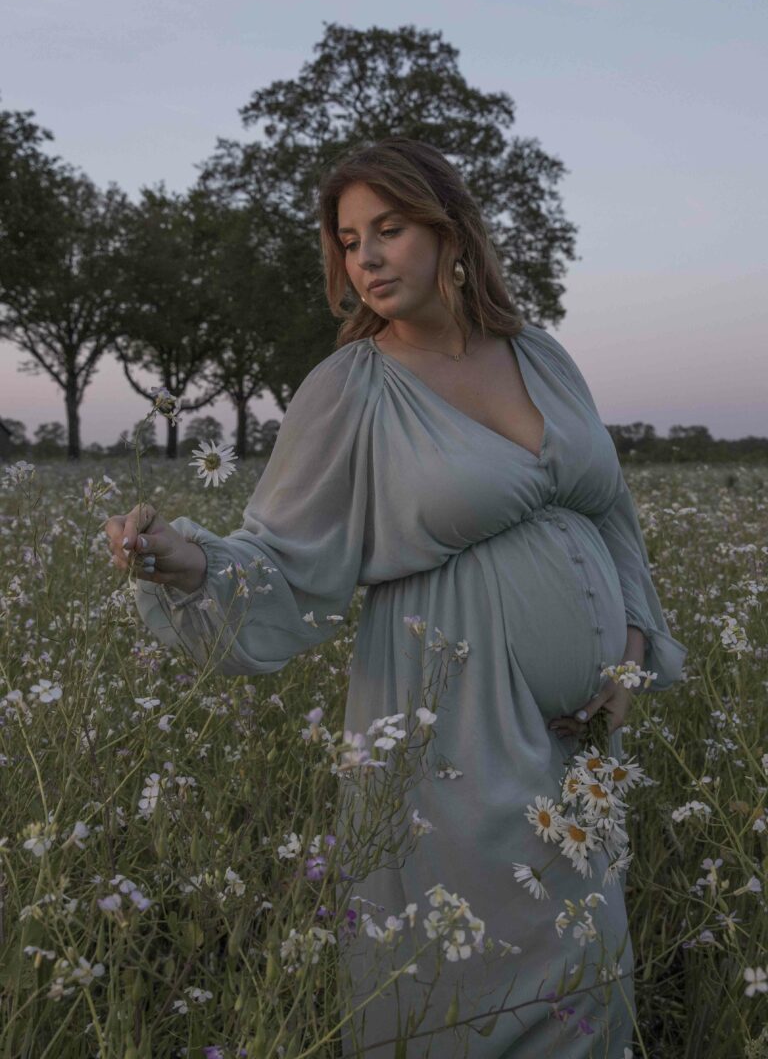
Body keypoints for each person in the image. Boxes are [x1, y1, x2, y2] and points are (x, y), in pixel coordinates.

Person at [105, 137, 686, 1057]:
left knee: (583, 958)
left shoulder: (542, 357)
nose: (364, 256)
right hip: (443, 716)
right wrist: (186, 561)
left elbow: (612, 515)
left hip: (581, 737)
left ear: (450, 235)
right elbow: (284, 554)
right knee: (466, 964)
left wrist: (634, 656)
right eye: (346, 239)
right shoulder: (350, 390)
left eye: (390, 229)